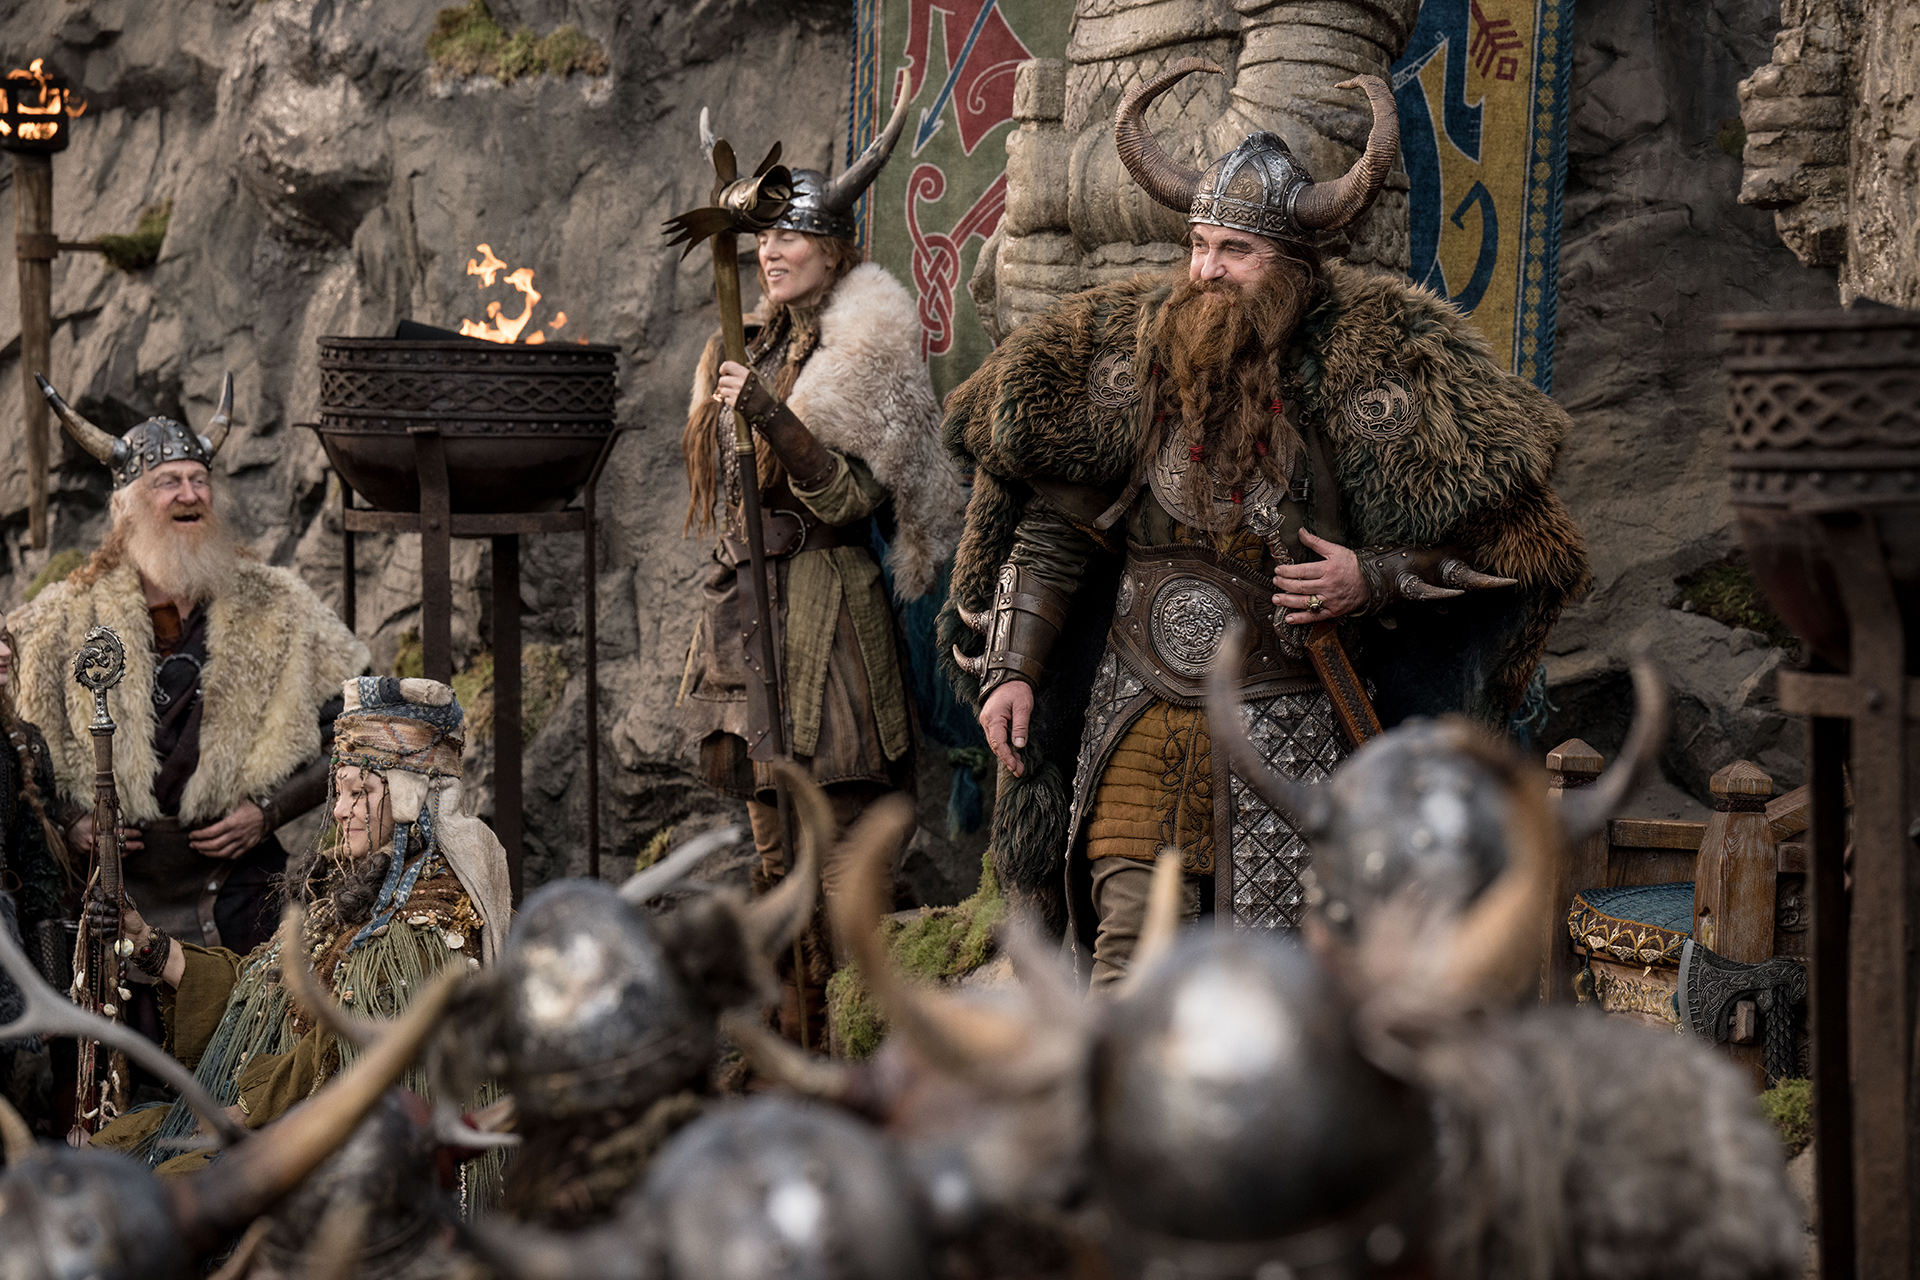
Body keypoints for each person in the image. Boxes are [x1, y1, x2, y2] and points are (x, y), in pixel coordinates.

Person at [939, 63, 1591, 985]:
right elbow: (1056, 528)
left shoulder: (1371, 375)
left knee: (1278, 985)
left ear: (1290, 266)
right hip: (1136, 715)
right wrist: (1014, 670)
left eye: (1233, 252)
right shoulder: (1137, 359)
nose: (1205, 271)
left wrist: (1371, 578)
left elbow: (1505, 547)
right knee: (1126, 969)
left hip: (1292, 726)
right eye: (1199, 245)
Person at [679, 91, 966, 1040]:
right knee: (772, 859)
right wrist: (731, 396)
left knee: (844, 857)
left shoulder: (868, 351)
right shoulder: (746, 344)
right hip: (749, 614)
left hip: (830, 617)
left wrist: (767, 414)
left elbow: (848, 503)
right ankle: (796, 1052)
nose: (771, 251)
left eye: (792, 236)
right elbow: (725, 492)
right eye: (764, 236)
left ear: (836, 249)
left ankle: (865, 1055)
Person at [12, 374, 368, 973]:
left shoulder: (278, 605)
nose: (189, 494)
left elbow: (358, 729)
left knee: (244, 1026)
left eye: (199, 480)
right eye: (168, 482)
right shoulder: (61, 619)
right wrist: (70, 823)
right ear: (124, 506)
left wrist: (269, 811)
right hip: (106, 898)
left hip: (237, 894)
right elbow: (16, 750)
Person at [87, 676, 511, 1171]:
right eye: (339, 791)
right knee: (112, 1155)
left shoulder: (425, 923)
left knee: (171, 1185)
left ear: (408, 798)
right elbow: (260, 995)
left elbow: (351, 1056)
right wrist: (148, 944)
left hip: (350, 1155)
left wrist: (247, 1113)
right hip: (280, 1121)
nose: (341, 810)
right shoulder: (351, 888)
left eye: (360, 793)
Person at [0, 615, 75, 1128]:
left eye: (3, 638)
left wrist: (50, 986)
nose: (5, 651)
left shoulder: (20, 744)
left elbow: (37, 872)